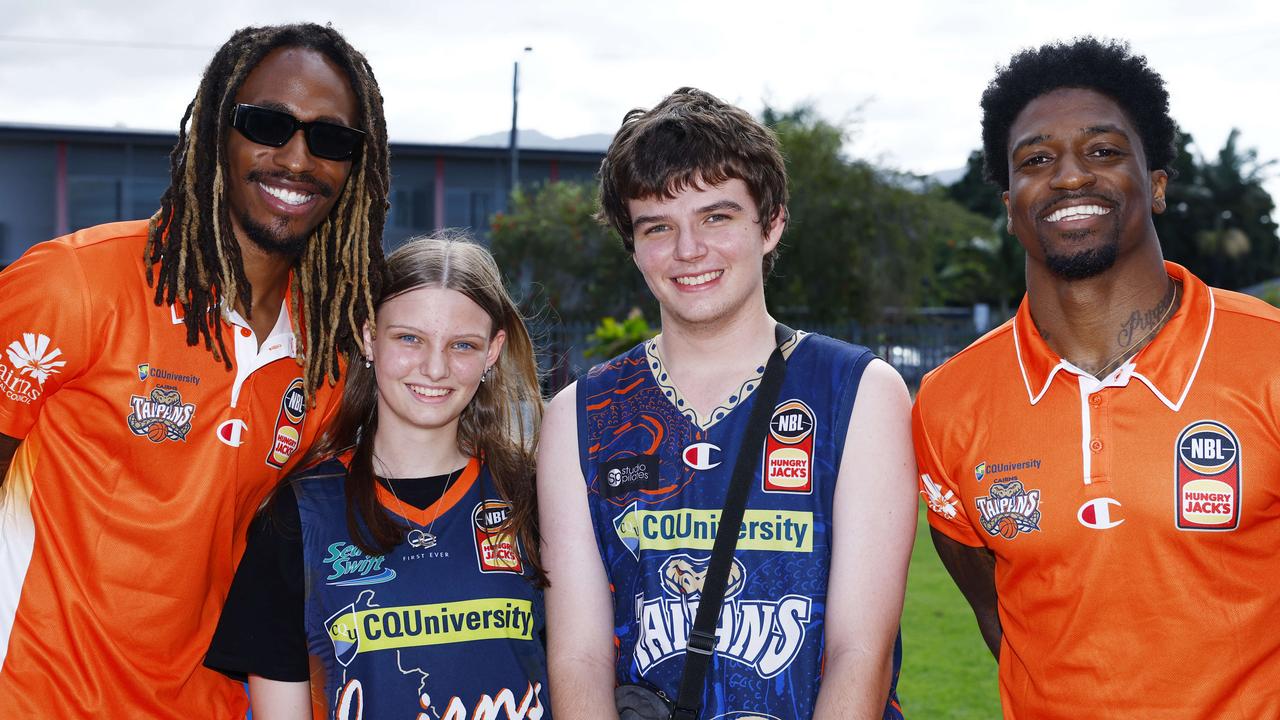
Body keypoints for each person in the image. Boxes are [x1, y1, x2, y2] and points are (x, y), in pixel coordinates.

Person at [0, 23, 389, 718]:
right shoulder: (75, 284)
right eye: (268, 124)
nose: (297, 159)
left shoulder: (329, 355)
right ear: (216, 132)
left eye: (331, 140)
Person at [914, 37, 1280, 719]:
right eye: (1037, 159)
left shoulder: (1269, 359)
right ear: (1010, 201)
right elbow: (1004, 622)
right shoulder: (948, 403)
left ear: (1158, 184)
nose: (1070, 176)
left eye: (1104, 151)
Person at [538, 87, 915, 720]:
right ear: (633, 245)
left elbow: (861, 652)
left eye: (716, 217)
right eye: (659, 226)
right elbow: (578, 657)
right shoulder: (578, 414)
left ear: (771, 225)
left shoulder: (859, 392)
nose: (689, 251)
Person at [206, 234, 548, 720]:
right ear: (369, 337)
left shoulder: (537, 498)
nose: (434, 367)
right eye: (409, 338)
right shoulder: (298, 516)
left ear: (492, 352)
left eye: (462, 345)